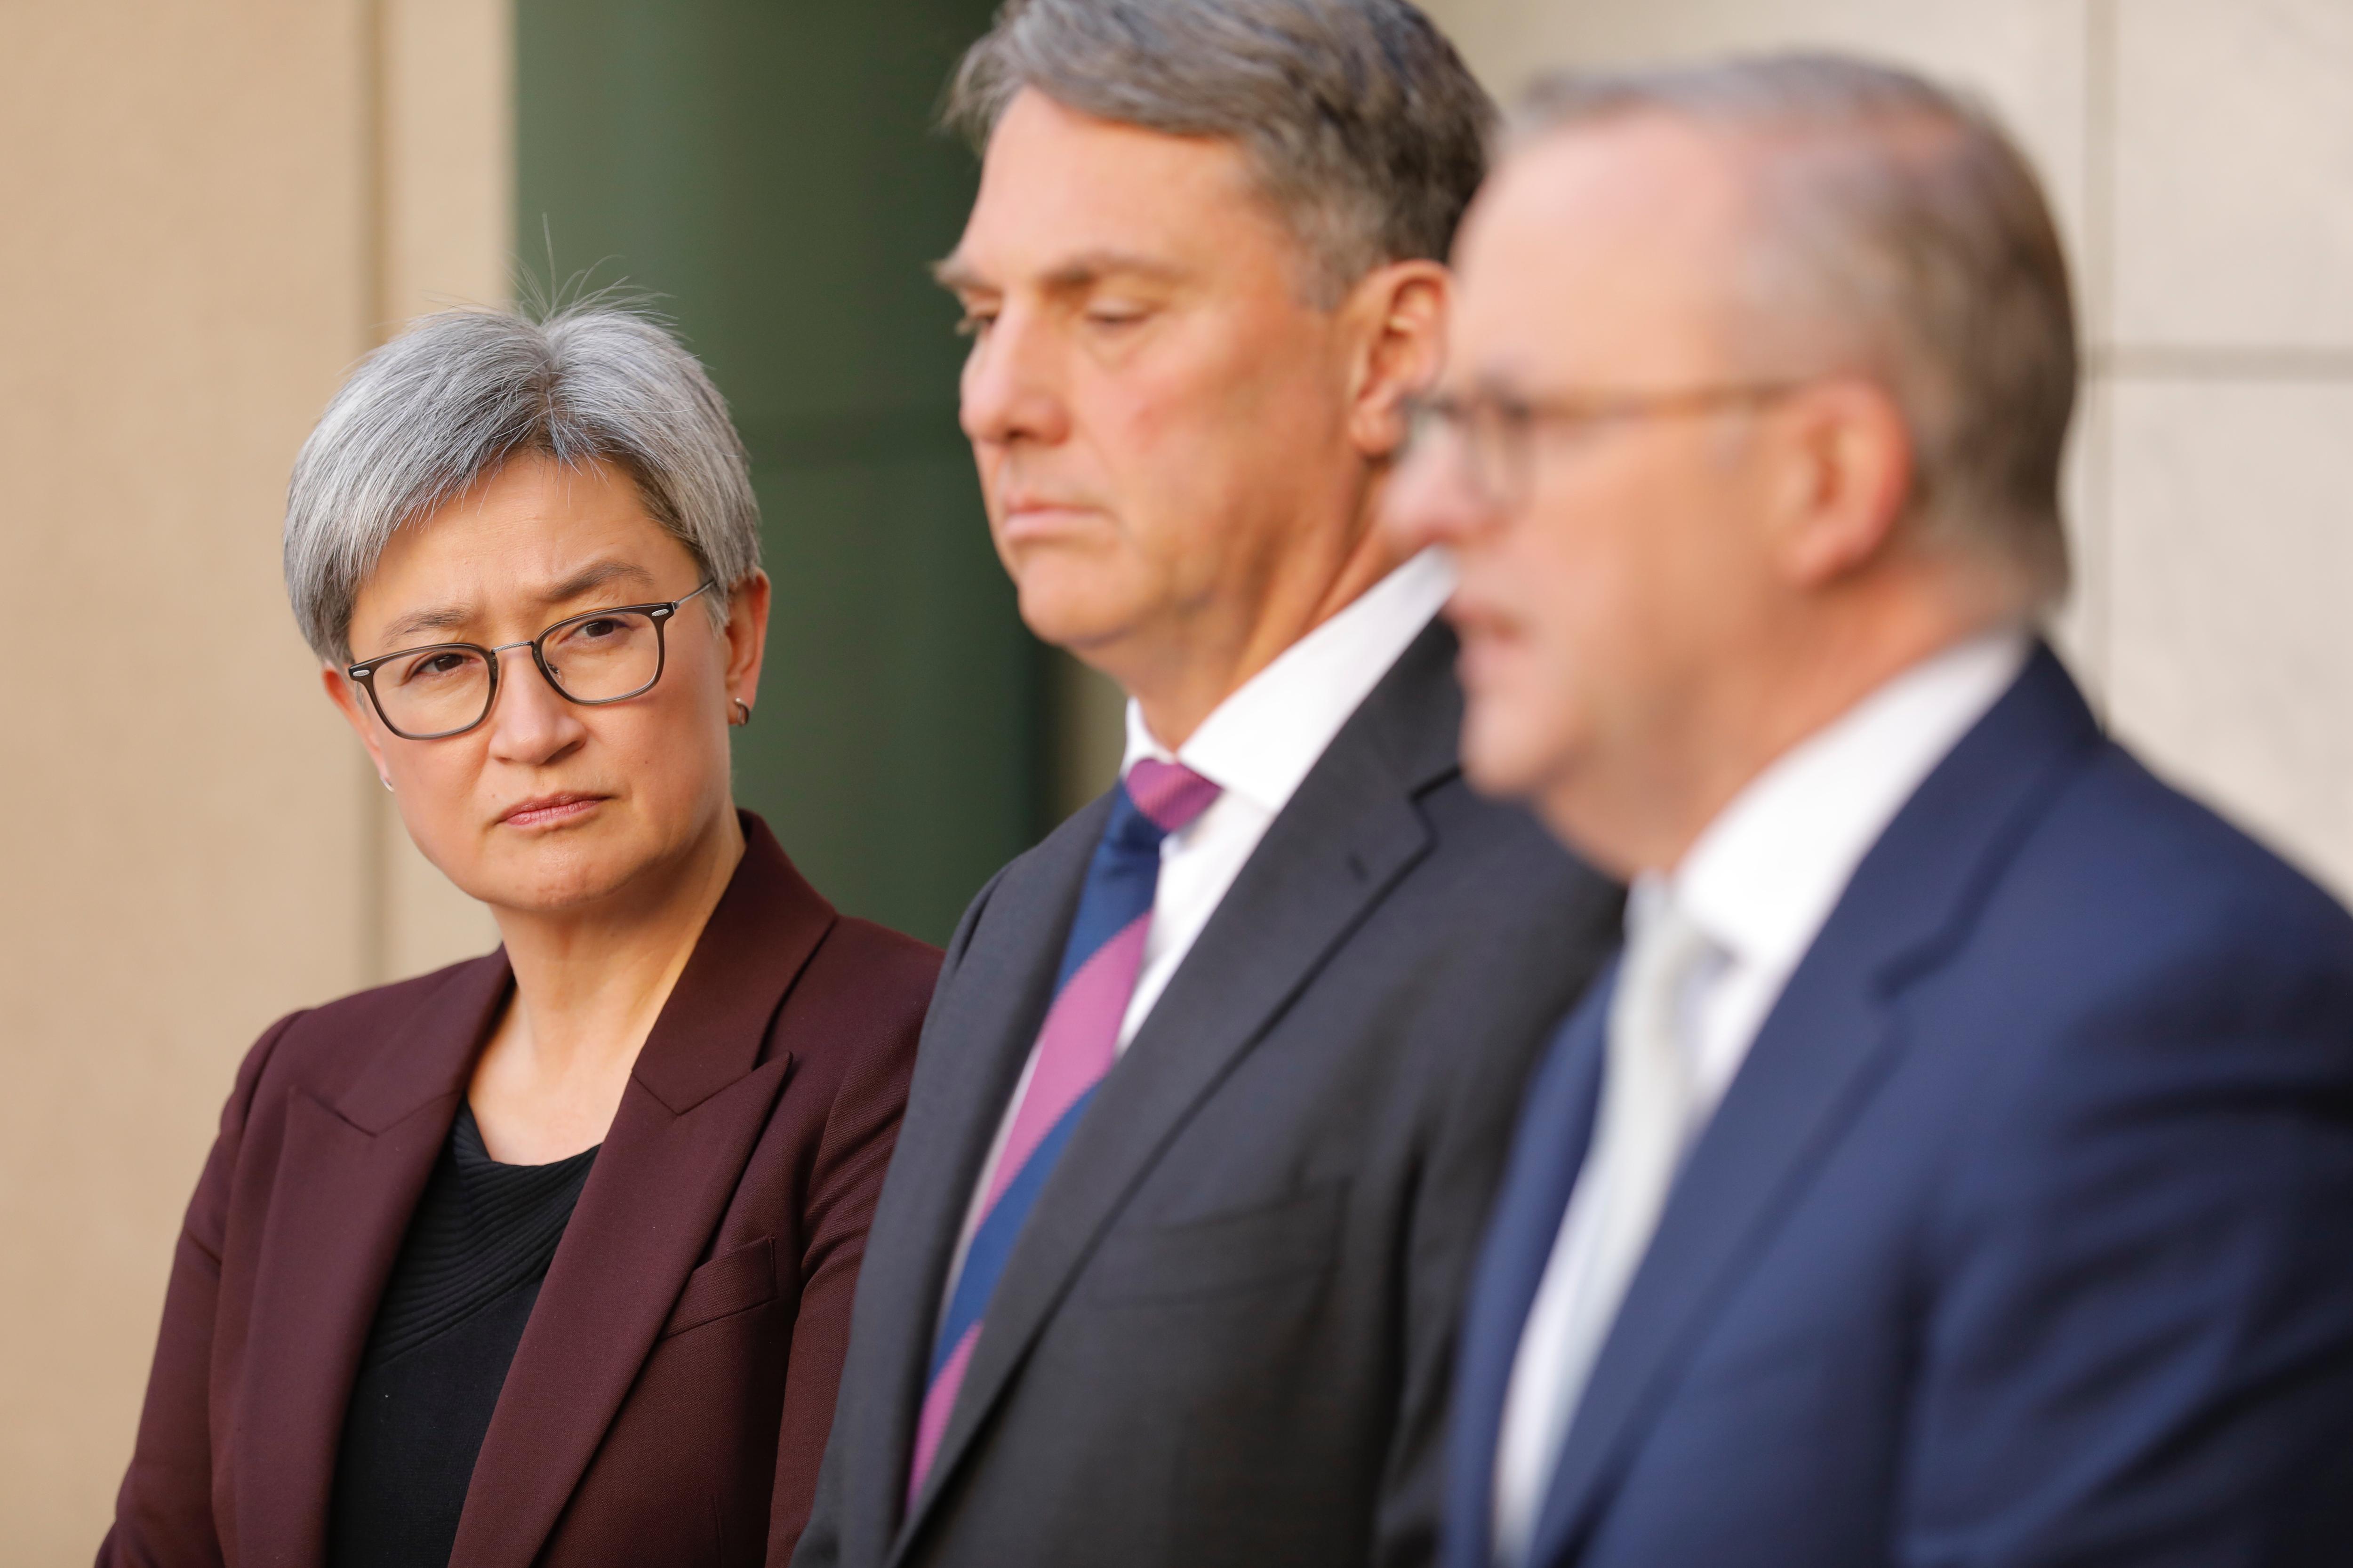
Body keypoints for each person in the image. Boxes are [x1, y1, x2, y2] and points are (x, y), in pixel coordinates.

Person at [1385, 53, 2353, 1568]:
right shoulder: (1654, 988)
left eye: (1516, 420)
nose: (1423, 508)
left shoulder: (2175, 1022)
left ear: (1826, 478)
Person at [793, 3, 1621, 1567]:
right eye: (983, 317)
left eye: (1107, 312)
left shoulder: (1575, 892)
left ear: (1392, 354)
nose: (996, 401)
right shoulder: (1022, 919)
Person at [100, 304, 940, 1568]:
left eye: (597, 629)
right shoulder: (301, 1089)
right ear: (363, 721)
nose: (530, 728)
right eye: (440, 664)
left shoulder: (919, 1051)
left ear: (739, 636)